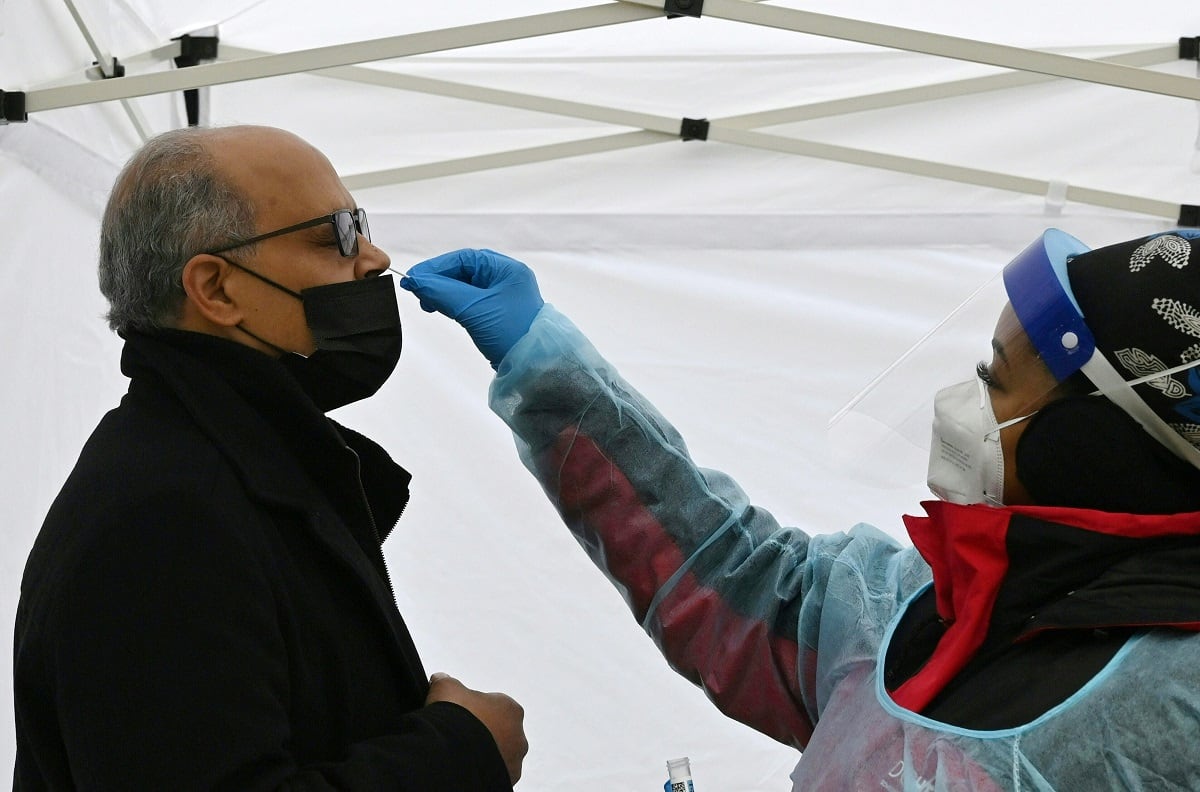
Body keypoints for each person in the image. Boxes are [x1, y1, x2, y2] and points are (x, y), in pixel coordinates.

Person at [401, 232, 1200, 790]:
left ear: (1096, 444)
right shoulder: (936, 609)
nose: (962, 405)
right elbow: (728, 575)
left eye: (993, 380)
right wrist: (547, 370)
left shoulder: (1175, 695)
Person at [13, 126, 527, 790]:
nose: (373, 258)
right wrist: (461, 751)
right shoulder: (163, 516)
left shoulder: (234, 474)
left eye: (362, 226)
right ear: (217, 290)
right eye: (335, 234)